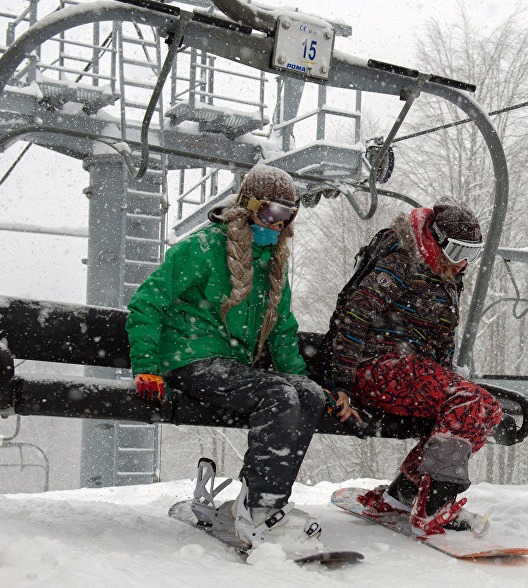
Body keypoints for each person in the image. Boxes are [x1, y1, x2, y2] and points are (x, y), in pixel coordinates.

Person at [125, 163, 359, 549]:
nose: (278, 225)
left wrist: (305, 380)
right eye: (271, 213)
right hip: (189, 358)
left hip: (231, 366)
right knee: (278, 395)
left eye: (287, 216)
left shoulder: (273, 266)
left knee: (308, 396)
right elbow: (147, 303)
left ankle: (257, 503)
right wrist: (147, 367)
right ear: (248, 207)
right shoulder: (202, 249)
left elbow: (282, 332)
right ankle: (262, 511)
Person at [325, 197, 503, 536]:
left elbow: (443, 342)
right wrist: (342, 385)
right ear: (436, 239)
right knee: (470, 402)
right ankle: (434, 504)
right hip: (374, 368)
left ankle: (404, 495)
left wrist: (444, 389)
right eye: (457, 250)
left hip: (411, 373)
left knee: (485, 410)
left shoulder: (446, 276)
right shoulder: (401, 264)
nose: (463, 262)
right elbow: (354, 317)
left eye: (473, 254)